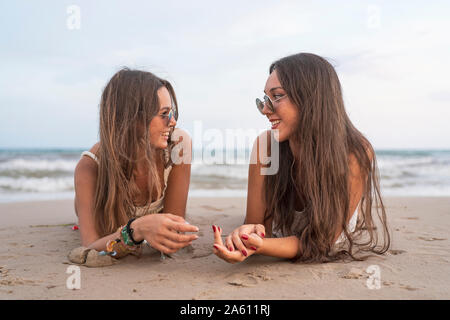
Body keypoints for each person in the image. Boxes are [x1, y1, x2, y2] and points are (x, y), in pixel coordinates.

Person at [213, 53, 390, 263]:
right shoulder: (266, 146)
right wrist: (247, 237)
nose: (265, 110)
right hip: (286, 236)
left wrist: (261, 246)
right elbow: (256, 225)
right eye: (265, 99)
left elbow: (320, 244)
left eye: (277, 96)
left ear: (311, 97)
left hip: (327, 236)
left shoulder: (355, 152)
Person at [74, 68, 198, 258]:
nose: (173, 122)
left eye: (172, 112)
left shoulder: (178, 146)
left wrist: (141, 231)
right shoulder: (90, 167)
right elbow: (90, 248)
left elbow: (174, 232)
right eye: (164, 114)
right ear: (132, 118)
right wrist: (136, 230)